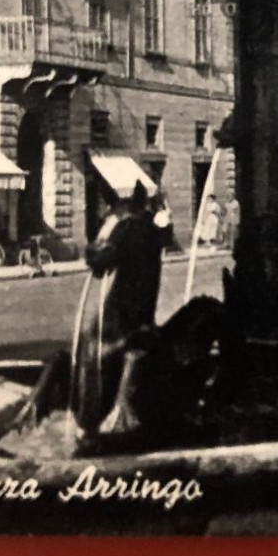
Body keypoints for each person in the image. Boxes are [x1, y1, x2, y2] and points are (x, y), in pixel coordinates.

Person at [80, 184, 167, 432]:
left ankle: (111, 410)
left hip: (123, 308)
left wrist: (98, 241)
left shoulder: (128, 227)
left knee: (96, 342)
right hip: (143, 307)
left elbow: (100, 264)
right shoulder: (150, 227)